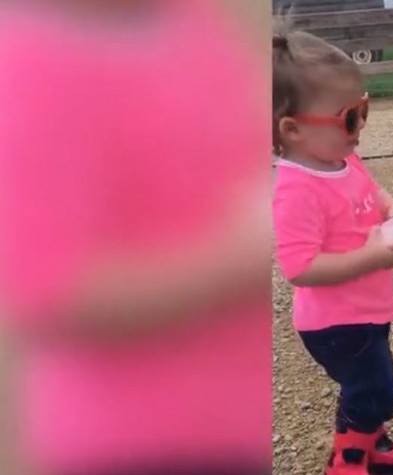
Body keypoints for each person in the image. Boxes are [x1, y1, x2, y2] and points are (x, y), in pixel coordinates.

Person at [0, 1, 272, 474]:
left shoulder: (193, 23)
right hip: (137, 440)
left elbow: (236, 157)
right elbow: (48, 292)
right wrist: (235, 259)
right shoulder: (29, 63)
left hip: (236, 412)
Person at [271, 29, 393, 475]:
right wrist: (373, 257)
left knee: (364, 390)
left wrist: (392, 207)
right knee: (376, 391)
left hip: (368, 310)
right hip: (335, 323)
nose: (361, 127)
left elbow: (369, 190)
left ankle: (372, 447)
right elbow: (298, 267)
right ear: (293, 129)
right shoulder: (296, 189)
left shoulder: (341, 158)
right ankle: (348, 463)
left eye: (364, 110)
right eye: (349, 118)